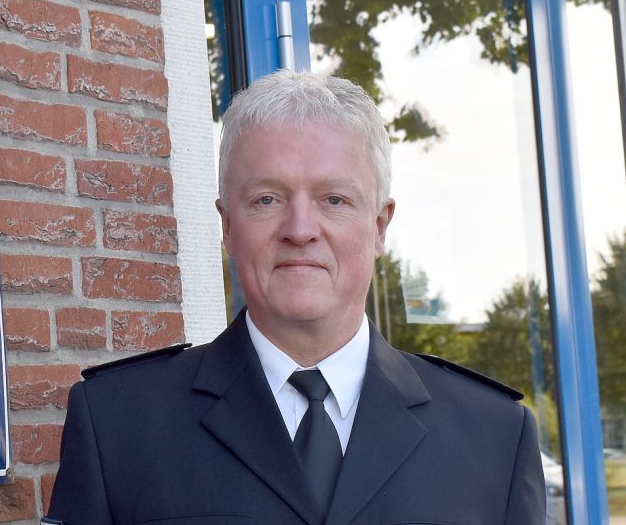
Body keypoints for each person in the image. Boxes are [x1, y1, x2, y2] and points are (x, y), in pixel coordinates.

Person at [44, 70, 545, 524]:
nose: (301, 229)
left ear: (379, 226)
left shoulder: (495, 436)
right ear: (227, 225)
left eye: (334, 200)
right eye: (267, 199)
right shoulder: (118, 424)